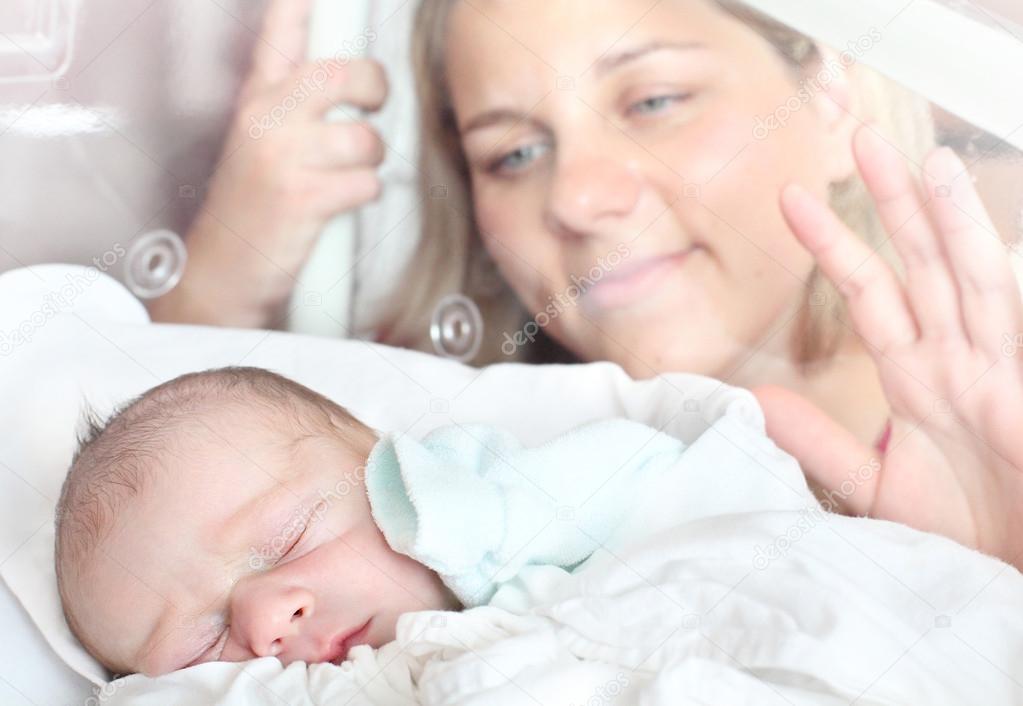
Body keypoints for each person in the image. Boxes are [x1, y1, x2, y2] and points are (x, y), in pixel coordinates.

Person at [153, 0, 1023, 568]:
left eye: (653, 101)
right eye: (513, 153)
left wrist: (993, 570)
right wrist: (222, 282)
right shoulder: (449, 474)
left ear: (833, 99)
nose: (573, 198)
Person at [54, 367, 798, 676]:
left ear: (398, 476)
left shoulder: (528, 509)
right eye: (198, 645)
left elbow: (699, 507)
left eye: (286, 540)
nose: (265, 621)